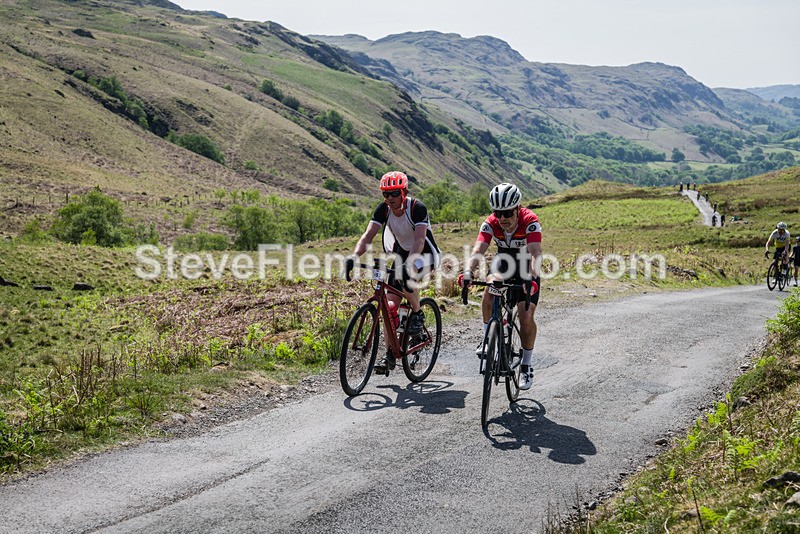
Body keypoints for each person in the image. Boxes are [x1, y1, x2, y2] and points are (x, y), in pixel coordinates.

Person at [345, 171, 441, 374]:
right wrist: (354, 257)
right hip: (400, 252)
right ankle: (388, 354)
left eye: (394, 193)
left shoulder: (417, 208)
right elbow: (368, 236)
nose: (390, 198)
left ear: (404, 192)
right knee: (388, 306)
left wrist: (409, 265)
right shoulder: (384, 209)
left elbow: (419, 241)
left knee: (408, 276)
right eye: (385, 194)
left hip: (424, 253)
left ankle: (417, 313)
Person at [459, 183, 542, 391]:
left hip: (525, 267)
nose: (502, 219)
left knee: (525, 316)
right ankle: (488, 337)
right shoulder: (491, 223)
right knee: (489, 292)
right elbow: (479, 248)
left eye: (507, 213)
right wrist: (469, 272)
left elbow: (535, 253)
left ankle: (526, 364)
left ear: (517, 208)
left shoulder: (530, 221)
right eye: (498, 213)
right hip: (503, 262)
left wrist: (531, 278)